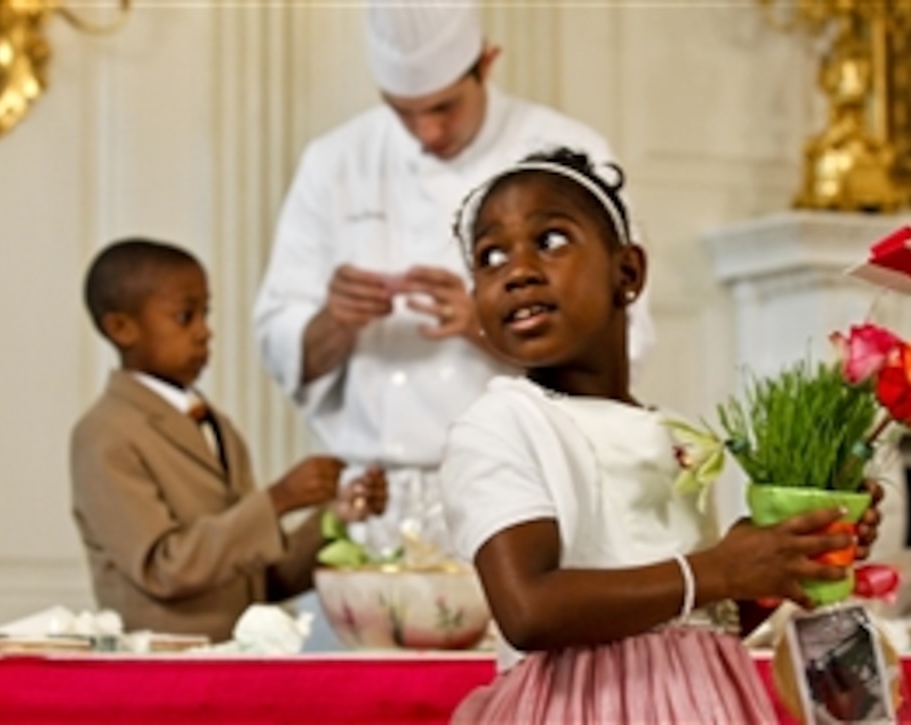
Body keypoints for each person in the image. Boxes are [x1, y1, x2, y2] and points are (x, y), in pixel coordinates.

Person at [440, 148, 885, 722]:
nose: (517, 269)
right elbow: (528, 609)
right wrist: (721, 568)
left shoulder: (670, 433)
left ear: (627, 273)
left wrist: (782, 562)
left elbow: (695, 620)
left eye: (549, 240)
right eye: (490, 256)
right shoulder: (503, 423)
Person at [252, 0, 655, 553]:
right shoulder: (334, 161)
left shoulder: (566, 153)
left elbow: (626, 338)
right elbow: (279, 345)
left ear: (487, 63)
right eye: (403, 111)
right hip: (371, 504)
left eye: (444, 107)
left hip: (527, 490)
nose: (427, 130)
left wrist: (486, 320)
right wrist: (333, 321)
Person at [70, 238, 388, 643]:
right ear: (122, 327)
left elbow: (259, 579)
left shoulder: (215, 425)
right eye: (185, 317)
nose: (205, 332)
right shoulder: (105, 434)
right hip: (159, 673)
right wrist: (277, 500)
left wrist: (334, 516)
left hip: (237, 664)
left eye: (206, 313)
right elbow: (164, 568)